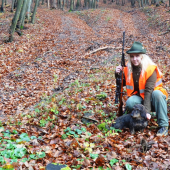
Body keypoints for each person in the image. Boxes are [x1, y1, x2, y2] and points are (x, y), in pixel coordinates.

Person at [115, 41, 169, 136]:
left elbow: (148, 92)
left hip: (154, 99)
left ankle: (163, 126)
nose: (134, 59)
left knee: (158, 94)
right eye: (132, 56)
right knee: (130, 102)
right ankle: (135, 121)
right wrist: (117, 74)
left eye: (137, 56)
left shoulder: (150, 68)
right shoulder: (127, 67)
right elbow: (122, 83)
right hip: (140, 98)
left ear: (142, 56)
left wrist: (147, 112)